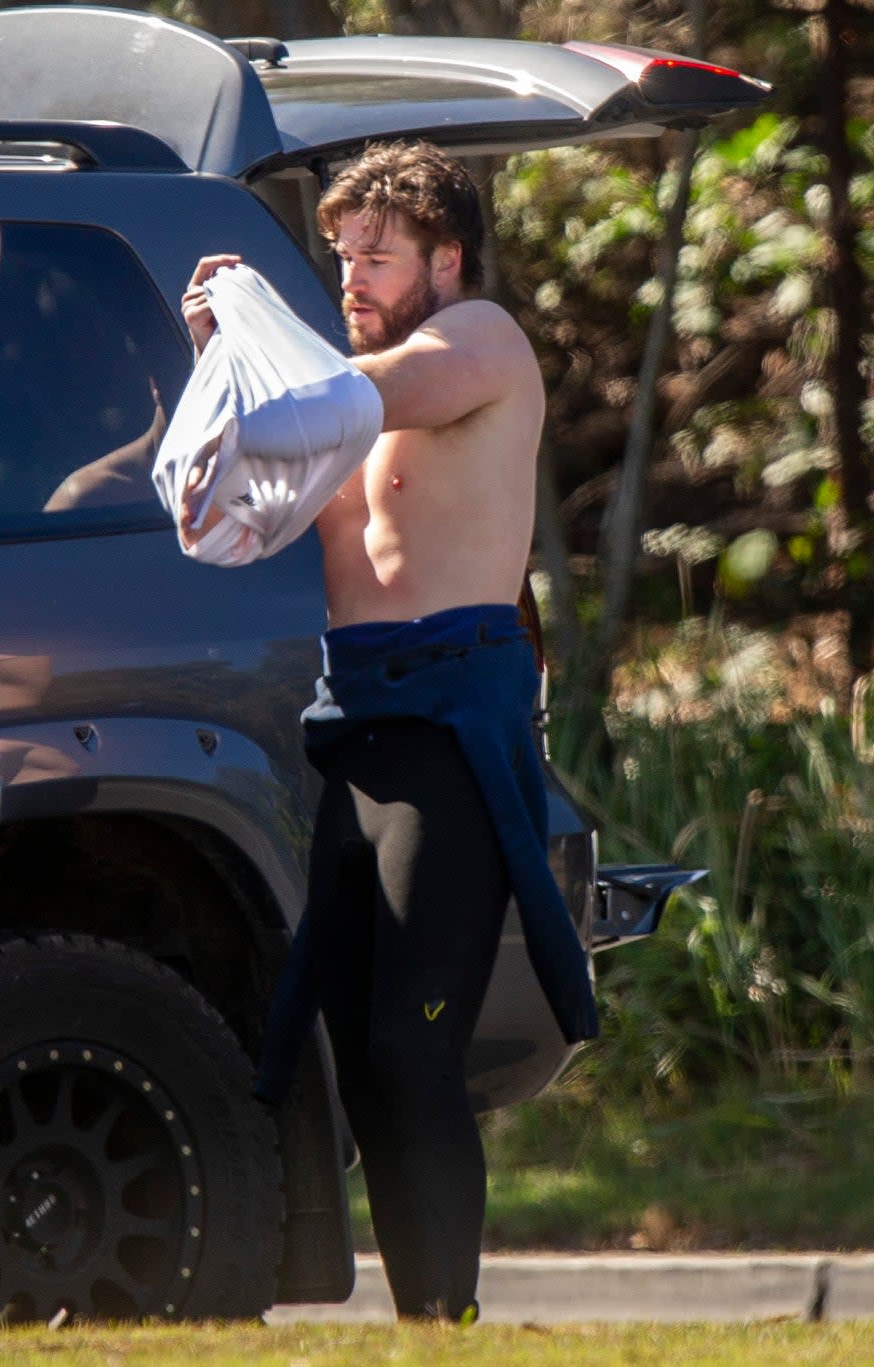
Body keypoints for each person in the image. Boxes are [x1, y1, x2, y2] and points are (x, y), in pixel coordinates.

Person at [178, 140, 597, 1324]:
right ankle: (427, 1327)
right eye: (341, 252)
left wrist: (256, 348)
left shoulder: (475, 345)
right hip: (357, 727)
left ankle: (446, 1327)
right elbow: (233, 503)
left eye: (377, 254)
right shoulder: (338, 379)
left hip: (450, 728)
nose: (351, 274)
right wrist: (216, 355)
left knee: (417, 1049)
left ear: (445, 258)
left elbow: (328, 406)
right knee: (360, 1059)